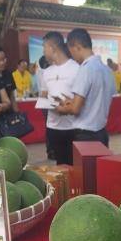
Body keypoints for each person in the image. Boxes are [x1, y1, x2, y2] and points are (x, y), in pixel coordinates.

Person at [55, 28, 115, 146]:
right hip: (102, 133)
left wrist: (60, 109)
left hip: (86, 135)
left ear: (77, 47)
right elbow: (95, 99)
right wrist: (72, 101)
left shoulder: (86, 69)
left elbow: (75, 109)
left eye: (71, 52)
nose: (72, 57)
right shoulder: (107, 70)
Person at [41, 32, 80, 165]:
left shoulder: (76, 69)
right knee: (60, 165)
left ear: (52, 47)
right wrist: (53, 105)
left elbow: (82, 99)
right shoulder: (47, 72)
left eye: (44, 47)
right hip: (53, 127)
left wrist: (67, 107)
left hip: (73, 127)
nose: (43, 51)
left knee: (74, 165)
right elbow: (43, 97)